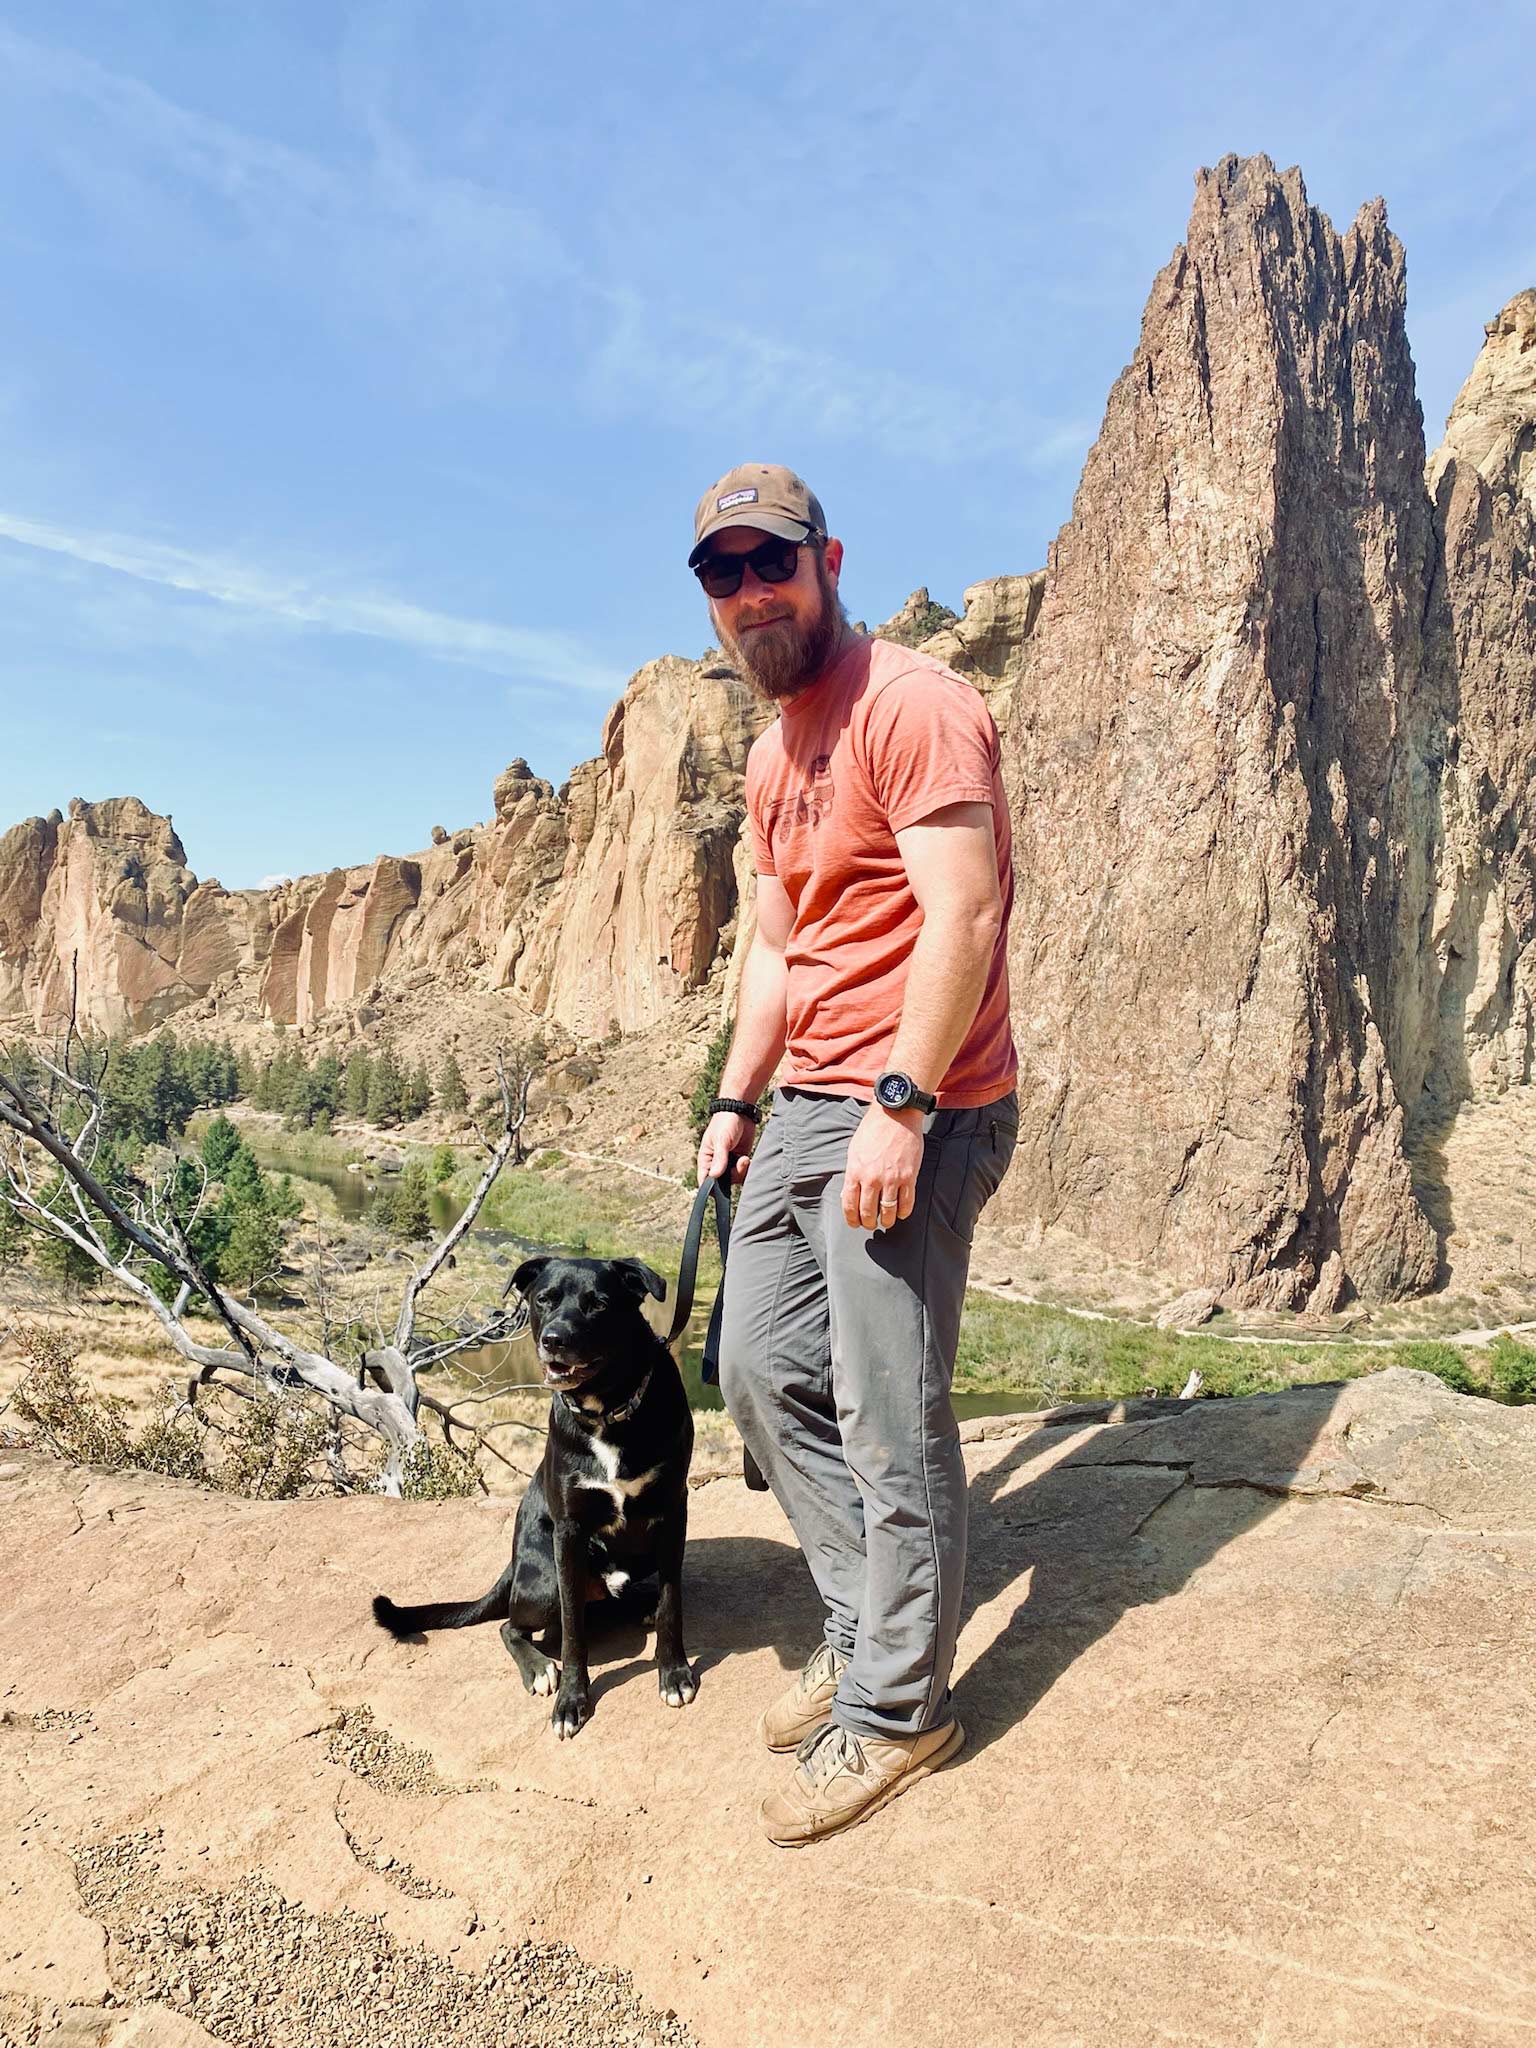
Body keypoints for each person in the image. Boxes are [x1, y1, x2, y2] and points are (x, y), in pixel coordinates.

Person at [691, 462, 1018, 1846]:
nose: (752, 593)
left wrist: (902, 1102)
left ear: (829, 558)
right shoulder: (773, 754)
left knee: (892, 1403)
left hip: (917, 1096)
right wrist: (734, 1101)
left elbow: (966, 912)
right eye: (723, 575)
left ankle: (896, 1711)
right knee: (758, 1371)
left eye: (773, 562)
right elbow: (779, 951)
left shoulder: (915, 705)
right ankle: (861, 1619)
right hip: (810, 1100)